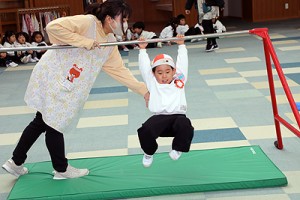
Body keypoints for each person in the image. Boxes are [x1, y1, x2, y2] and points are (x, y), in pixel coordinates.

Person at [2, 0, 149, 180]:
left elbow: (119, 71)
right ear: (109, 18)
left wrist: (144, 91)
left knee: (42, 120)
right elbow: (53, 27)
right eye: (123, 18)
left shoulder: (109, 42)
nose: (125, 23)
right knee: (55, 122)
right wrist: (84, 41)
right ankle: (61, 169)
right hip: (54, 75)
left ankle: (15, 162)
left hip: (69, 83)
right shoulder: (88, 22)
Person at [137, 35, 194, 168]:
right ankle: (148, 152)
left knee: (186, 125)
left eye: (168, 72)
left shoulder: (179, 80)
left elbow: (183, 63)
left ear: (174, 71)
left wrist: (181, 45)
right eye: (160, 73)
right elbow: (144, 67)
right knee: (144, 130)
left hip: (177, 119)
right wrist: (142, 50)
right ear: (154, 74)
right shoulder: (152, 82)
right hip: (159, 120)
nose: (164, 76)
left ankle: (178, 148)